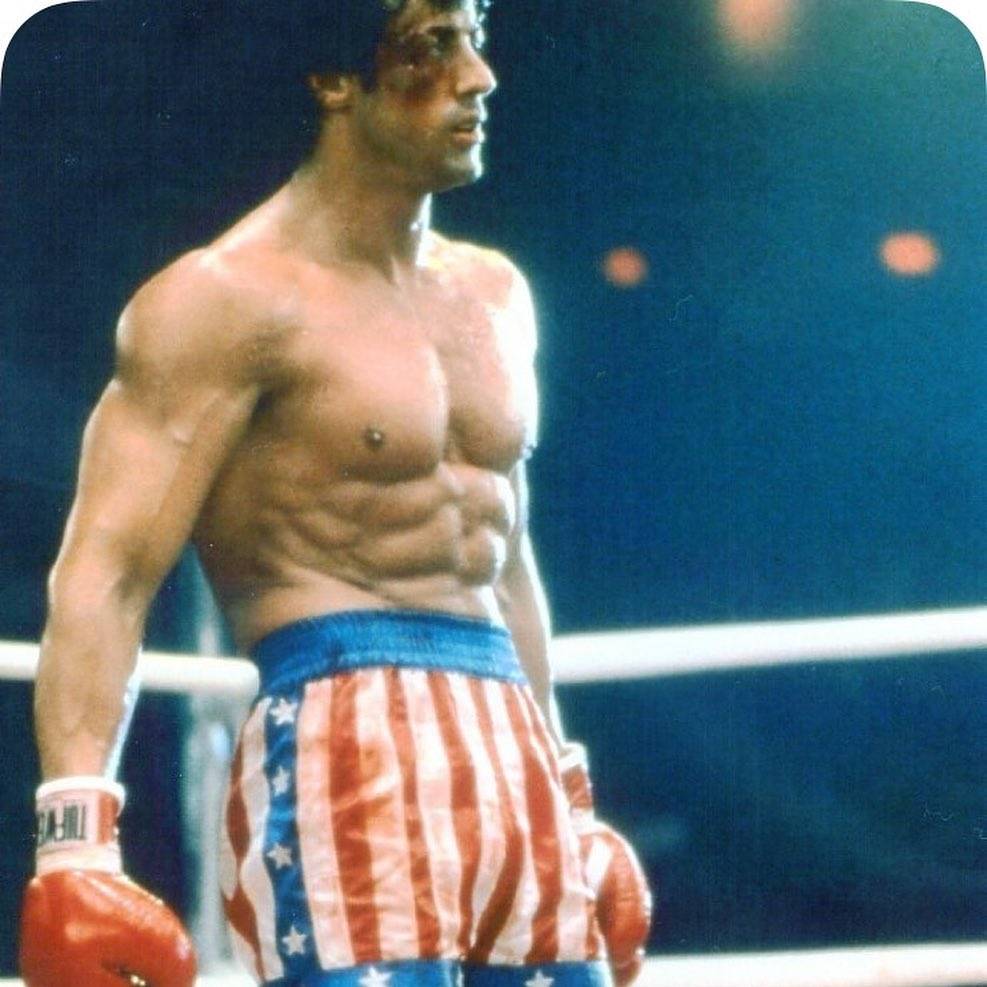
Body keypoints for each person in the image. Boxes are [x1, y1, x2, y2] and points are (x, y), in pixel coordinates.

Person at [19, 1, 651, 985]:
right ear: (334, 79)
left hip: (510, 745)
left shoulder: (495, 294)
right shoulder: (226, 299)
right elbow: (106, 572)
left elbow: (505, 563)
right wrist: (74, 843)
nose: (478, 77)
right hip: (342, 744)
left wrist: (569, 796)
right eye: (433, 44)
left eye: (475, 37)